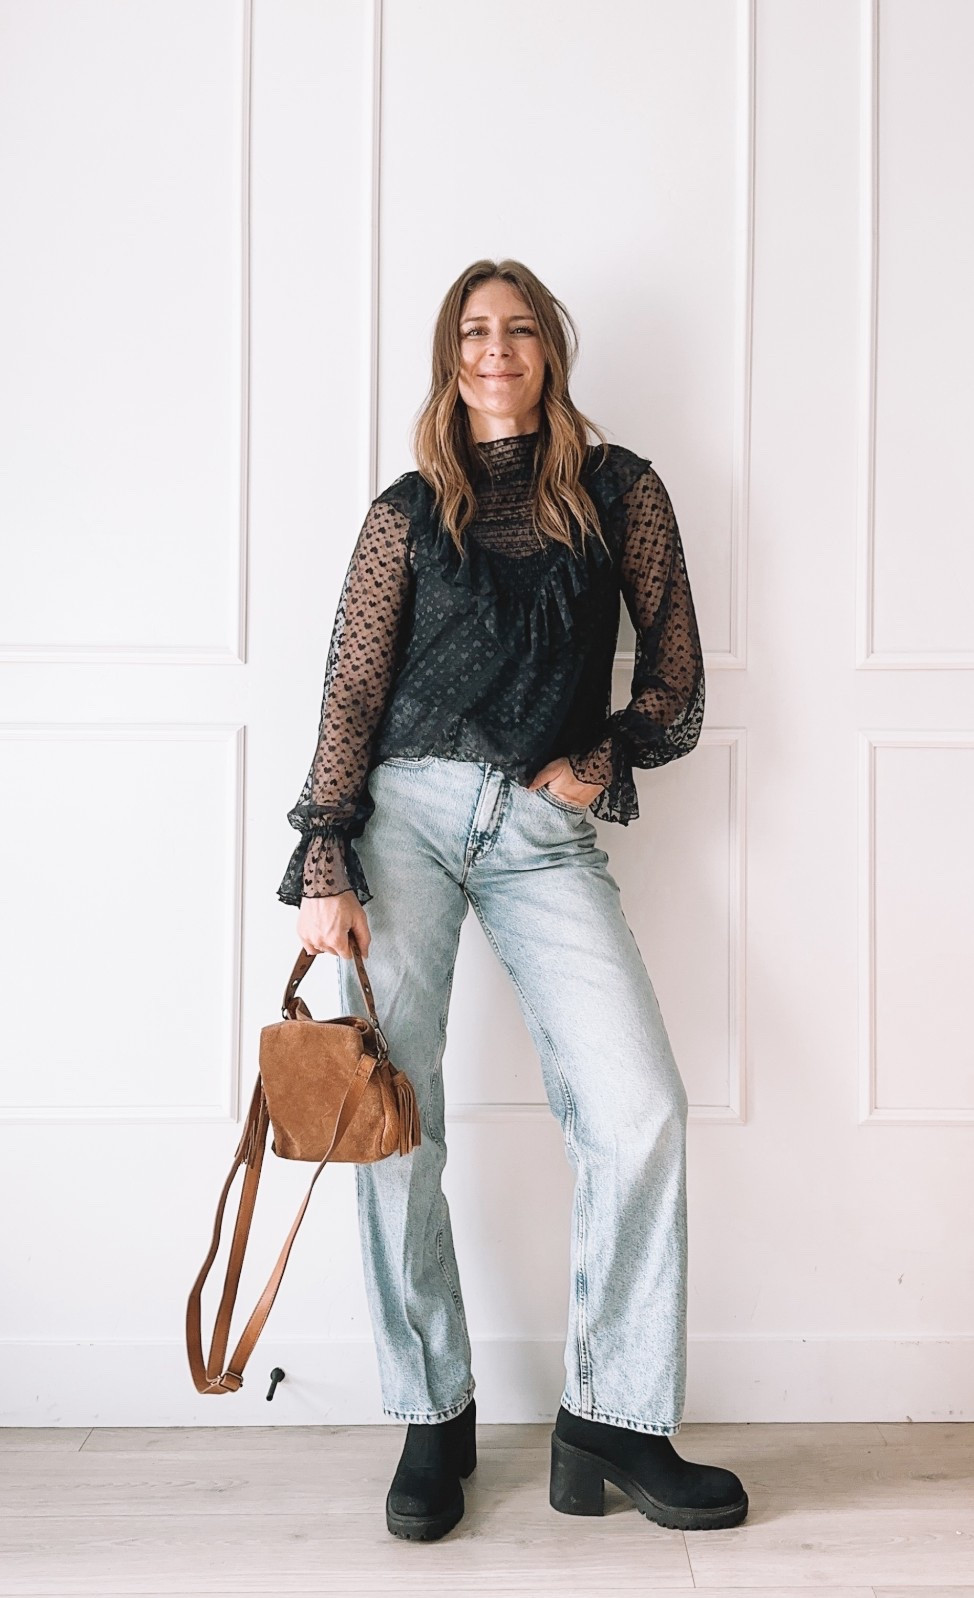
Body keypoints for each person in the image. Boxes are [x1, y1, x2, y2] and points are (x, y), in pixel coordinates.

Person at [278, 258, 748, 1541]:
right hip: (402, 822)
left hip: (541, 833)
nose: (496, 349)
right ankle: (432, 1413)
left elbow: (675, 680)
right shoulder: (405, 512)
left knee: (639, 1104)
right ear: (451, 355)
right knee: (392, 1116)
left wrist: (601, 757)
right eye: (474, 331)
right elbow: (349, 691)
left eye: (519, 329)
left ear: (549, 351)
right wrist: (324, 856)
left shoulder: (617, 491)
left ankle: (614, 1416)